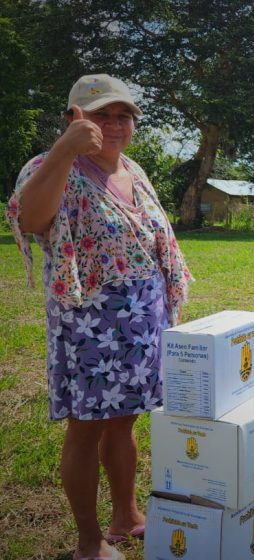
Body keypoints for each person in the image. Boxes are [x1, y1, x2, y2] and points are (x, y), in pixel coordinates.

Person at [5, 74, 192, 560]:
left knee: (124, 425)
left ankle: (125, 515)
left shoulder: (134, 170)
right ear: (74, 117)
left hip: (140, 326)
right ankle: (89, 543)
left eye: (122, 115)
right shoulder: (49, 167)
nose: (113, 124)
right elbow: (31, 220)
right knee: (86, 430)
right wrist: (66, 151)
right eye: (99, 114)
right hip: (89, 331)